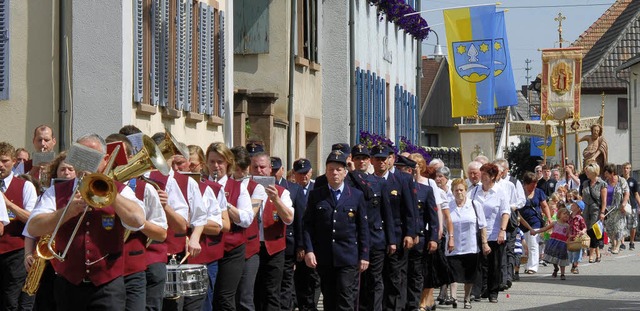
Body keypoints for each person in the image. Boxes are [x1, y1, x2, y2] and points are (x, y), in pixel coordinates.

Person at [26, 133, 146, 311]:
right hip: (68, 285)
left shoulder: (121, 191)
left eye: (92, 156)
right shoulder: (57, 191)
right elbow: (33, 227)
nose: (84, 163)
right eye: (80, 155)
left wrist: (110, 194)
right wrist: (66, 212)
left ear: (105, 160)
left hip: (107, 286)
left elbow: (138, 221)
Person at [303, 150, 370, 311]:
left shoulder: (356, 195)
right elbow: (307, 225)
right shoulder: (316, 195)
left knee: (345, 297)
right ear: (325, 172)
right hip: (325, 256)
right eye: (331, 169)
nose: (334, 173)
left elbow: (363, 228)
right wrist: (309, 250)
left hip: (348, 256)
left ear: (345, 173)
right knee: (329, 299)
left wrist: (364, 255)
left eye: (338, 169)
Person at [206, 142, 254, 311]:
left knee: (225, 298)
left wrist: (225, 205)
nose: (216, 166)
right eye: (212, 162)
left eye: (220, 162)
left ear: (228, 163)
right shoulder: (202, 185)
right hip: (208, 247)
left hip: (231, 248)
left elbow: (247, 219)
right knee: (207, 296)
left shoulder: (238, 187)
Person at [250, 152, 294, 311]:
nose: (259, 171)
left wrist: (276, 199)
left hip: (273, 248)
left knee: (272, 292)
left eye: (263, 167)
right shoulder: (245, 189)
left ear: (270, 169)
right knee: (252, 292)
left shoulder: (282, 192)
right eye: (255, 167)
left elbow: (289, 219)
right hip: (251, 248)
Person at [0, 142, 38, 310]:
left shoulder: (25, 186)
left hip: (15, 251)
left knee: (11, 300)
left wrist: (9, 205)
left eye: (4, 161)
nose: (0, 165)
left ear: (14, 161)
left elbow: (33, 219)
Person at [442, 179, 489, 310]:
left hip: (471, 246)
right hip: (453, 246)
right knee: (453, 273)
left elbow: (483, 225)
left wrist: (485, 243)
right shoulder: (448, 206)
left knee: (469, 275)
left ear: (466, 191)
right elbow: (443, 225)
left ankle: (467, 298)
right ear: (452, 192)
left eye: (461, 190)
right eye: (456, 190)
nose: (459, 192)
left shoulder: (475, 205)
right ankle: (454, 297)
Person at [468, 163, 509, 303]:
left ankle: (493, 292)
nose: (481, 177)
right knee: (478, 263)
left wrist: (502, 231)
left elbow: (505, 212)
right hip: (477, 233)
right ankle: (477, 291)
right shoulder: (474, 191)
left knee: (494, 264)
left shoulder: (500, 192)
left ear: (492, 177)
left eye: (484, 174)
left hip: (494, 232)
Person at [270, 157, 306, 311]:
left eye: (276, 170)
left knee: (286, 283)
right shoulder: (259, 187)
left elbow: (300, 219)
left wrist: (300, 245)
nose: (273, 173)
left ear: (282, 170)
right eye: (270, 170)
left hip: (289, 243)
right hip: (270, 241)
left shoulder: (293, 188)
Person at [518, 172, 551, 274]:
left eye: (535, 184)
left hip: (535, 221)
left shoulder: (539, 192)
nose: (534, 186)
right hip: (521, 221)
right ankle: (524, 264)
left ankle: (532, 267)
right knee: (524, 245)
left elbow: (544, 206)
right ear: (525, 184)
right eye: (532, 185)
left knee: (533, 244)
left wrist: (549, 217)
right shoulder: (519, 192)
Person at [533, 207, 571, 280]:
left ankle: (562, 274)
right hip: (553, 243)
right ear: (559, 214)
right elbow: (545, 229)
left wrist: (571, 237)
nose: (566, 216)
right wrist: (536, 231)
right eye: (564, 214)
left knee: (562, 258)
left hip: (562, 244)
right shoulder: (555, 223)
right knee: (553, 257)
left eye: (568, 215)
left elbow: (567, 234)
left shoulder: (567, 226)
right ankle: (556, 268)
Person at [581, 163, 607, 263]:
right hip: (586, 210)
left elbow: (604, 201)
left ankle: (591, 255)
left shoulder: (602, 184)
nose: (586, 173)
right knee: (589, 231)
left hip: (596, 210)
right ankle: (598, 253)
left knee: (593, 232)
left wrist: (602, 212)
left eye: (588, 172)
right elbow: (583, 197)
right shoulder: (585, 183)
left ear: (593, 172)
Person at [602, 163, 629, 254]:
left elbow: (626, 193)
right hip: (608, 209)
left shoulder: (622, 181)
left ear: (612, 173)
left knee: (619, 227)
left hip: (619, 208)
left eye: (607, 173)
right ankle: (613, 244)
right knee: (609, 228)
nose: (605, 175)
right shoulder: (605, 182)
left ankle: (617, 245)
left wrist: (624, 203)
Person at [622, 162, 640, 250]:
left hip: (632, 205)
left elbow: (636, 194)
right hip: (622, 205)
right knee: (622, 224)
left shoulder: (633, 181)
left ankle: (631, 242)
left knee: (633, 225)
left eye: (627, 168)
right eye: (624, 168)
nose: (626, 170)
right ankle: (622, 242)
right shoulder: (620, 180)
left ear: (630, 169)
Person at [567, 200, 587, 274]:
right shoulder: (569, 216)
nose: (572, 206)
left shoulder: (579, 218)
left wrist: (583, 231)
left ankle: (575, 266)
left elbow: (584, 227)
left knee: (577, 252)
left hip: (577, 238)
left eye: (574, 205)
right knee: (570, 253)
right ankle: (573, 264)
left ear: (578, 208)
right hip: (569, 238)